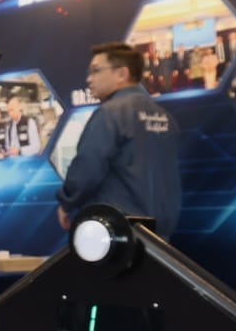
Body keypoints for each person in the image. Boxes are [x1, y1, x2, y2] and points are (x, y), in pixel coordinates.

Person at [55, 42, 181, 236]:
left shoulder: (110, 113)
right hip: (161, 230)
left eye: (96, 71)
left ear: (122, 74)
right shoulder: (165, 116)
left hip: (117, 230)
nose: (89, 79)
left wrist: (67, 202)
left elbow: (88, 166)